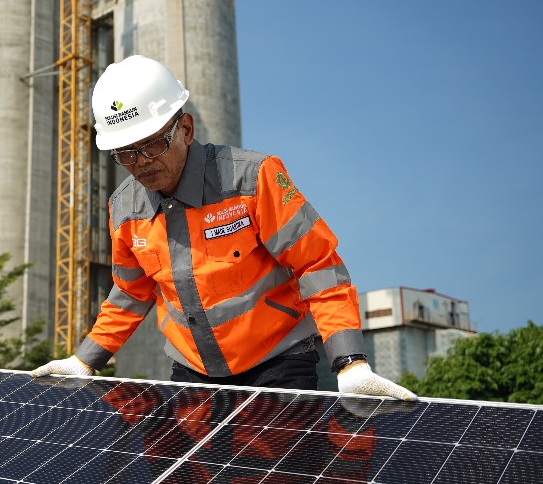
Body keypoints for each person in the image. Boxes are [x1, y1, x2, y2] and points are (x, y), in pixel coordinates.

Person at [32, 54, 416, 400]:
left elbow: (317, 265)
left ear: (185, 128)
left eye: (151, 145)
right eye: (125, 153)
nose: (141, 163)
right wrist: (85, 361)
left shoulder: (251, 179)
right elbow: (131, 292)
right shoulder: (125, 208)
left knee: (274, 479)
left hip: (277, 366)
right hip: (192, 372)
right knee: (190, 478)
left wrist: (349, 362)